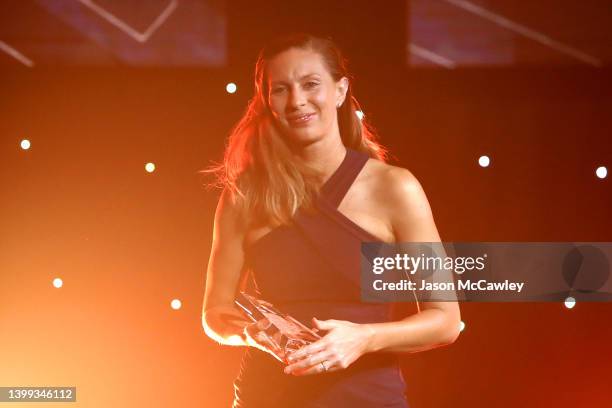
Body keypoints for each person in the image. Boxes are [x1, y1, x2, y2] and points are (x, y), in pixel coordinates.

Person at [202, 33, 460, 407]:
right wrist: (256, 335)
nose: (297, 101)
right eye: (281, 90)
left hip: (368, 398)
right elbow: (215, 313)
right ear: (267, 102)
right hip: (267, 397)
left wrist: (363, 338)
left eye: (310, 84)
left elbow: (445, 320)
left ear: (340, 91)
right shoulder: (244, 196)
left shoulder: (394, 188)